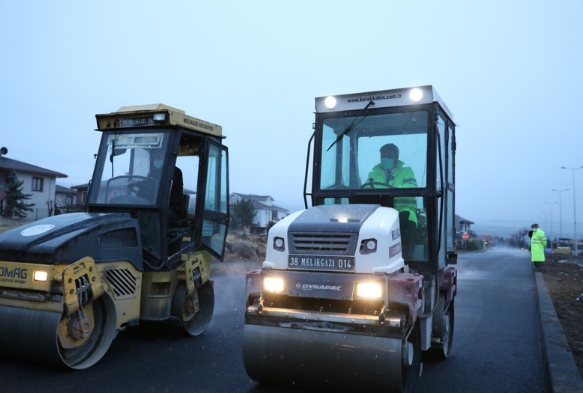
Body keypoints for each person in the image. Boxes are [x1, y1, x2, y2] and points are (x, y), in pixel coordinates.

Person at [365, 143, 418, 224]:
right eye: (383, 156)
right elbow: (365, 191)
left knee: (406, 221)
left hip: (402, 210)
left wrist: (394, 191)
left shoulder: (406, 172)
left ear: (396, 158)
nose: (385, 158)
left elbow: (412, 188)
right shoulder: (372, 175)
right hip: (378, 211)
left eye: (389, 156)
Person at [149, 149, 184, 220]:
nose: (156, 160)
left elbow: (162, 186)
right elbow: (148, 183)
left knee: (151, 215)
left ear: (167, 158)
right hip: (155, 205)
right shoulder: (153, 172)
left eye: (159, 157)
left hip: (171, 207)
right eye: (154, 157)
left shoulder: (175, 172)